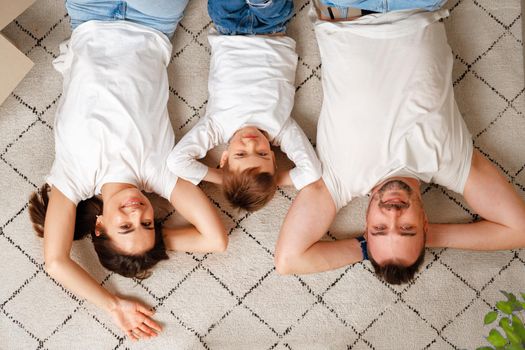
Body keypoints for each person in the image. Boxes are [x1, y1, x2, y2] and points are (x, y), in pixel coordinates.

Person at [274, 0, 525, 284]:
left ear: (367, 229)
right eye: (407, 228)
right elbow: (519, 230)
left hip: (347, 9)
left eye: (380, 229)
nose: (393, 214)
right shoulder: (451, 164)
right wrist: (427, 238)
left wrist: (371, 247)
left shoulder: (339, 182)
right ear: (424, 225)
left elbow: (288, 260)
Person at [28, 0, 228, 341]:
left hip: (90, 14)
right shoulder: (159, 173)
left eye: (125, 226)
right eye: (148, 223)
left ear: (100, 225)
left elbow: (56, 262)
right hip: (152, 20)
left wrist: (114, 305)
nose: (137, 213)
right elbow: (216, 240)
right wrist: (153, 244)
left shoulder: (72, 180)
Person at [166, 0, 322, 212]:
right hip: (272, 29)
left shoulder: (216, 128)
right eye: (262, 154)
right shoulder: (280, 129)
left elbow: (177, 162)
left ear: (224, 158)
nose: (251, 144)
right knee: (269, 5)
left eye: (240, 154)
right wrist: (272, 180)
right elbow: (311, 172)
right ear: (274, 161)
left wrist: (223, 178)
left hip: (228, 29)